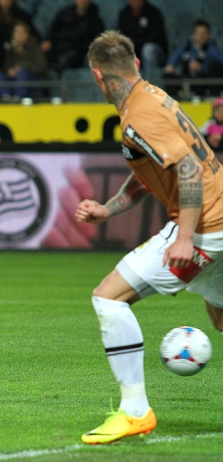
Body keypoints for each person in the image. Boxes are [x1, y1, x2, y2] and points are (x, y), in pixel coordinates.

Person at [76, 30, 223, 444]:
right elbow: (152, 170)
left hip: (204, 228)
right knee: (220, 317)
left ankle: (135, 412)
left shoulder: (138, 116)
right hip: (221, 220)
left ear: (97, 76)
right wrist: (108, 209)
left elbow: (189, 171)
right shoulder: (154, 96)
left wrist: (185, 237)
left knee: (108, 297)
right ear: (136, 65)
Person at [41, 0, 105, 75]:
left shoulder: (95, 20)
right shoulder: (65, 14)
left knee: (67, 59)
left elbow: (97, 40)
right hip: (59, 46)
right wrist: (48, 40)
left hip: (78, 51)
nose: (82, 1)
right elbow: (53, 30)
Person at [163, 20, 223, 97]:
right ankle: (174, 101)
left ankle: (209, 97)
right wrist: (170, 65)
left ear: (209, 35)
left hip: (203, 81)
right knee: (168, 76)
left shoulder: (213, 50)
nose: (201, 36)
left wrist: (201, 68)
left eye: (203, 33)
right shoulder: (187, 48)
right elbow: (175, 57)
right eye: (198, 33)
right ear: (194, 34)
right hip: (187, 78)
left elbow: (219, 64)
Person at [117, 0, 167, 71]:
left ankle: (150, 79)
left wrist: (135, 42)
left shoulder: (153, 13)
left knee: (148, 49)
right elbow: (120, 34)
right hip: (133, 50)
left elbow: (156, 37)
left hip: (155, 50)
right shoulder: (124, 14)